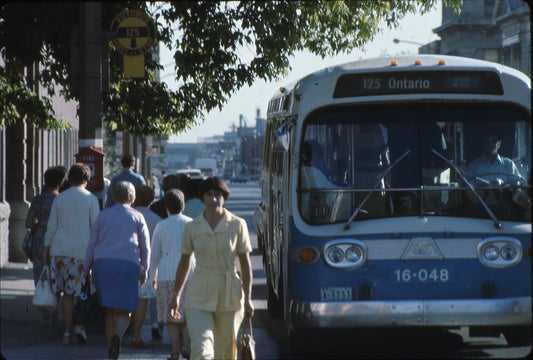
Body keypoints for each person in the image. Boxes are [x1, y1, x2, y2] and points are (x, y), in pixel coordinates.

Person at [170, 176, 254, 360]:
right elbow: (184, 262)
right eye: (209, 194)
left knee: (225, 353)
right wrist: (176, 295)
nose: (214, 199)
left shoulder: (238, 225)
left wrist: (248, 298)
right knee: (201, 350)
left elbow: (245, 264)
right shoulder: (192, 227)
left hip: (230, 296)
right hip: (199, 294)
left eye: (218, 195)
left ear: (224, 198)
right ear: (202, 197)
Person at [83, 181, 150, 360]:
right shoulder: (137, 217)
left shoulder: (103, 215)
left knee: (109, 309)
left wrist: (86, 266)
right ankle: (117, 337)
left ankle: (109, 348)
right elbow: (145, 247)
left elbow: (92, 243)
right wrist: (145, 269)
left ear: (113, 196)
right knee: (125, 310)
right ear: (133, 197)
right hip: (128, 265)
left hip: (103, 264)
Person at [43, 163, 100, 345]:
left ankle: (66, 332)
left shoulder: (60, 199)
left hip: (59, 250)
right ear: (87, 179)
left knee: (64, 293)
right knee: (78, 292)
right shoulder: (91, 199)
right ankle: (77, 326)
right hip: (81, 253)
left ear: (70, 178)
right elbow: (95, 229)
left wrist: (46, 251)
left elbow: (51, 228)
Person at [149, 189, 193, 360]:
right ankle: (187, 346)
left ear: (166, 207)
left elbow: (154, 255)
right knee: (187, 316)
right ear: (183, 205)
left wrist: (152, 277)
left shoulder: (161, 226)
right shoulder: (191, 224)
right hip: (190, 275)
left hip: (166, 275)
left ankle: (174, 352)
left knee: (171, 318)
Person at [25, 166, 67, 325]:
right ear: (62, 182)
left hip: (40, 239)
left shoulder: (38, 199)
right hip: (58, 239)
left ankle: (45, 311)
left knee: (41, 273)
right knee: (57, 273)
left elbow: (29, 223)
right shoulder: (63, 200)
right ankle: (56, 310)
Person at [130, 185, 162, 348]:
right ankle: (155, 323)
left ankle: (129, 327)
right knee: (150, 297)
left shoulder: (130, 216)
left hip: (131, 262)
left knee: (132, 298)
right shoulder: (157, 219)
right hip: (150, 263)